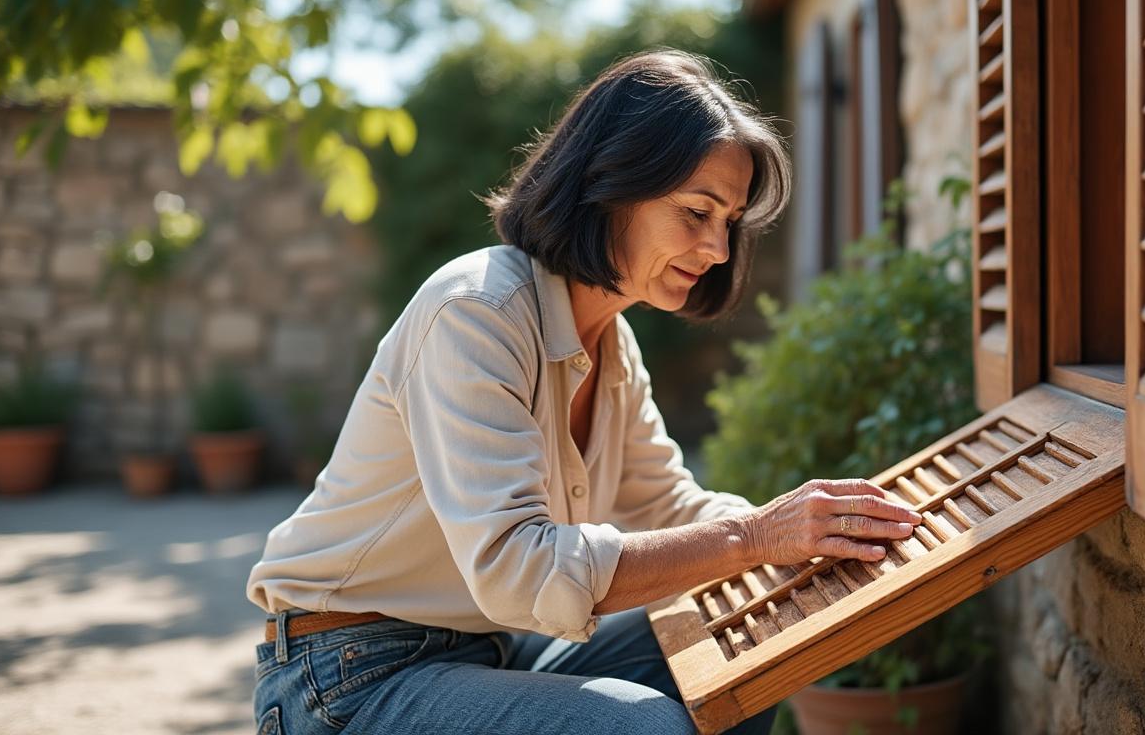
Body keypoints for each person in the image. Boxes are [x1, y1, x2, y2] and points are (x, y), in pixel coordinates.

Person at [246, 49, 924, 735]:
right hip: (344, 676)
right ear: (610, 185)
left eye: (729, 220)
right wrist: (752, 537)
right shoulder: (476, 312)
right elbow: (518, 567)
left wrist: (807, 537)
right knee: (644, 729)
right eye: (697, 212)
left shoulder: (610, 345)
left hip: (485, 652)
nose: (718, 248)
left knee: (745, 651)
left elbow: (668, 504)